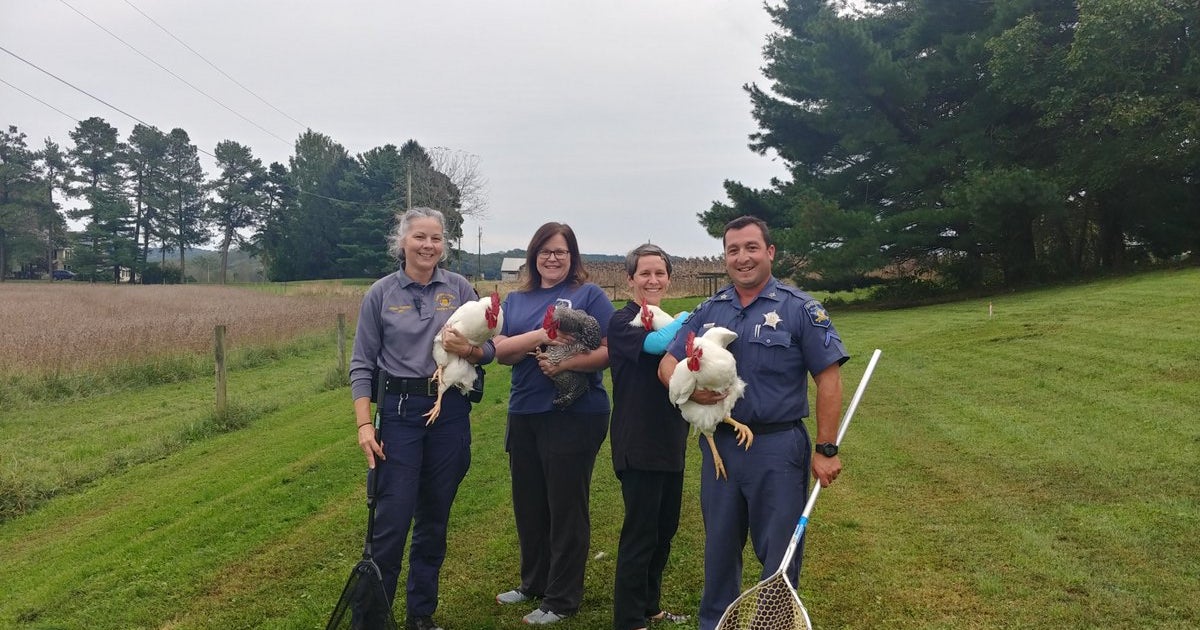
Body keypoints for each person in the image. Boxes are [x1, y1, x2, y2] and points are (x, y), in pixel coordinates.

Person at [657, 216, 849, 630]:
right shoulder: (710, 309)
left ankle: (773, 625)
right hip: (722, 448)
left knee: (778, 553)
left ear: (770, 252)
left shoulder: (800, 309)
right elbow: (668, 362)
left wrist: (826, 447)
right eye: (733, 250)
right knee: (720, 551)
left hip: (778, 449)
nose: (742, 258)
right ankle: (716, 624)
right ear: (725, 256)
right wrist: (687, 390)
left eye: (751, 248)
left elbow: (829, 378)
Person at [348, 207, 495, 630]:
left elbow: (490, 349)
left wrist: (468, 350)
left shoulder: (461, 288)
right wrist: (364, 425)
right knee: (390, 524)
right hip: (398, 413)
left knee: (433, 519)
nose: (428, 245)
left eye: (436, 238)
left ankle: (420, 616)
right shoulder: (380, 293)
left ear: (444, 245)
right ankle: (371, 622)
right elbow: (361, 365)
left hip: (448, 410)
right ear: (402, 243)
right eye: (420, 238)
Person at [492, 222, 615, 625]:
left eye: (561, 251)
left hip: (575, 413)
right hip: (525, 410)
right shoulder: (518, 299)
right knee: (529, 502)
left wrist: (564, 361)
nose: (552, 257)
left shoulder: (589, 295)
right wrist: (541, 336)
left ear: (572, 256)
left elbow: (607, 350)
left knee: (565, 506)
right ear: (534, 256)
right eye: (545, 251)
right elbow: (501, 352)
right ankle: (534, 582)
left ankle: (562, 598)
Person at [609, 244, 692, 630]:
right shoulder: (624, 320)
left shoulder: (667, 318)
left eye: (660, 273)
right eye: (645, 273)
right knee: (641, 533)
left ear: (669, 279)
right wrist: (695, 319)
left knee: (665, 531)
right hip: (637, 442)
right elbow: (657, 346)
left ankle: (650, 606)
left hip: (671, 439)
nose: (653, 280)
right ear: (630, 279)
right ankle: (629, 619)